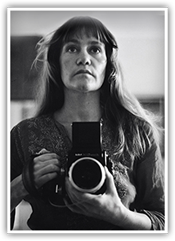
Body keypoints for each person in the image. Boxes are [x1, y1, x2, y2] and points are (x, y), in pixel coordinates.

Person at [11, 16, 164, 230]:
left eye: (95, 49)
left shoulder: (137, 132)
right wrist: (20, 186)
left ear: (108, 63)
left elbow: (162, 220)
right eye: (72, 48)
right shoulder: (24, 134)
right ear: (56, 62)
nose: (84, 58)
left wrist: (120, 215)